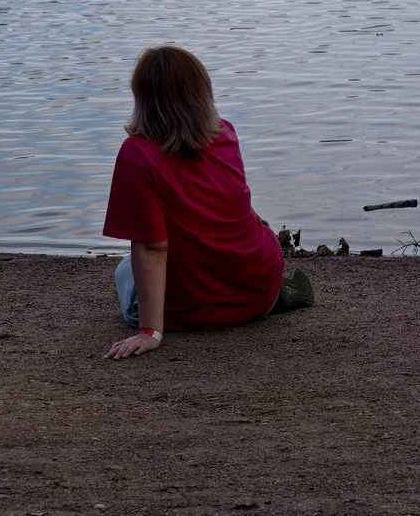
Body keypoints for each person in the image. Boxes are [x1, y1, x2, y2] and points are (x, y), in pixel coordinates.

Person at [103, 46, 314, 360]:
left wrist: (150, 331)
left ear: (143, 99)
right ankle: (273, 289)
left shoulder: (136, 154)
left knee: (125, 269)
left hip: (187, 314)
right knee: (258, 223)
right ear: (202, 93)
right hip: (259, 295)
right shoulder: (225, 131)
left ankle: (179, 304)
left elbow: (151, 248)